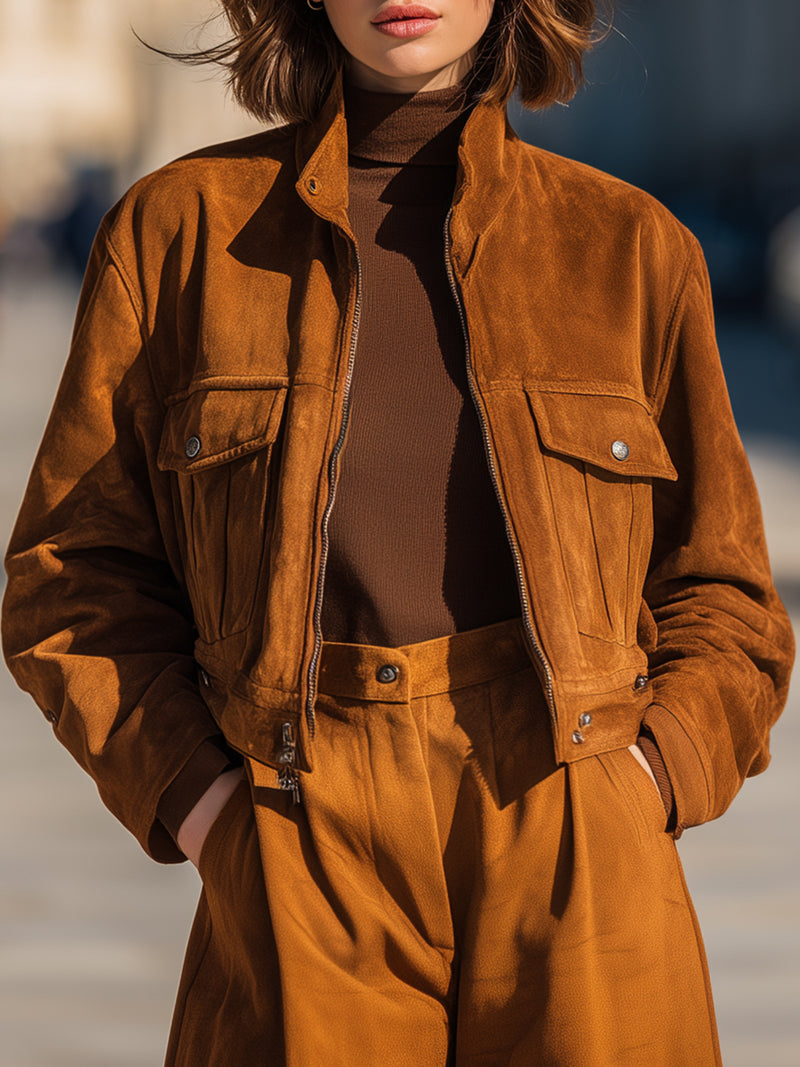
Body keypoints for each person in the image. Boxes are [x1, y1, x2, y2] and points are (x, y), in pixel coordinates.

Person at [2, 1, 794, 1063]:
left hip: (579, 841)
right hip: (299, 836)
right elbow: (71, 578)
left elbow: (726, 593)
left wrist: (646, 784)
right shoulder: (178, 234)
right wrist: (205, 808)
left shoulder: (628, 248)